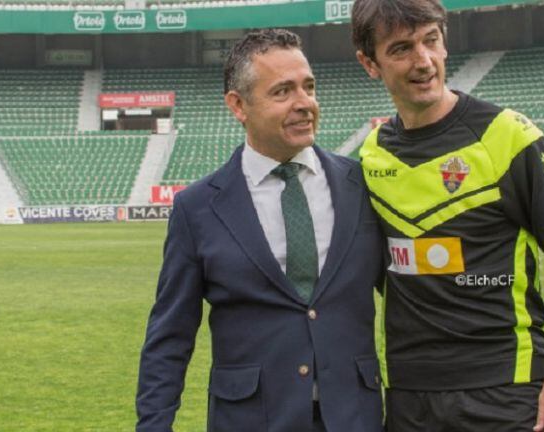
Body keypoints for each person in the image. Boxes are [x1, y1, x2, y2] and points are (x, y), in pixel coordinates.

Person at [351, 1, 544, 431]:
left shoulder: (508, 136)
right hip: (407, 397)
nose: (424, 61)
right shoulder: (371, 155)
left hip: (506, 391)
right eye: (401, 49)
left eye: (431, 40)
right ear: (369, 63)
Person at [136, 29, 385, 432]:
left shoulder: (362, 187)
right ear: (239, 105)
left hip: (355, 417)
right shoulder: (197, 208)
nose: (305, 103)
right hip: (250, 419)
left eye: (309, 87)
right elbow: (170, 334)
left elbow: (411, 300)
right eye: (283, 91)